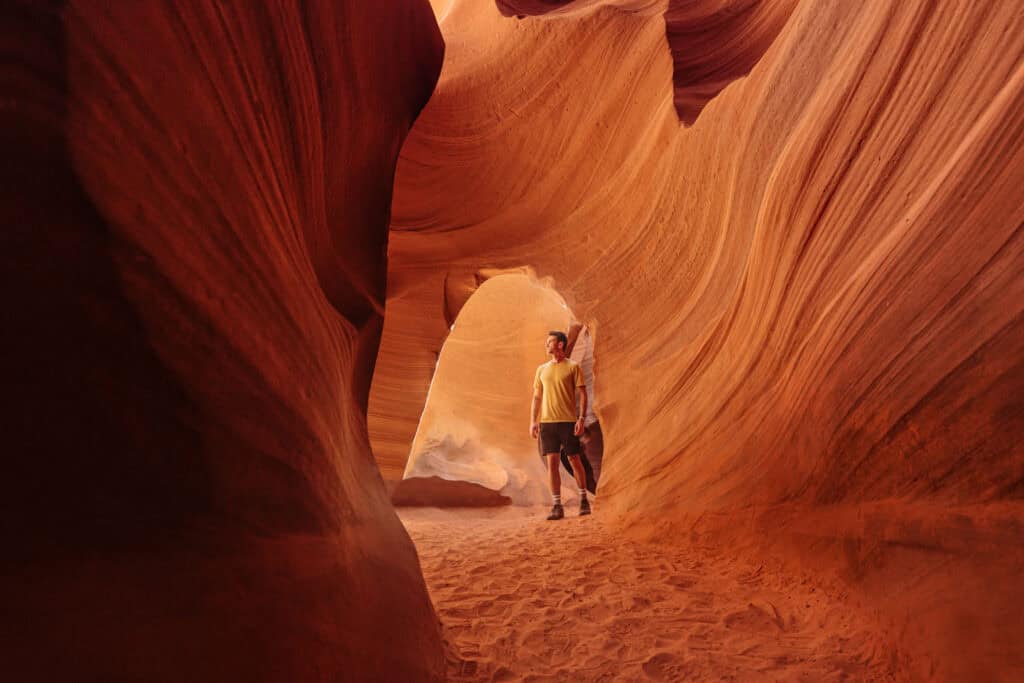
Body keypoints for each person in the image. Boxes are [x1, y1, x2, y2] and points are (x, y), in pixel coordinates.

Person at [529, 330, 590, 520]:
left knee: (574, 460)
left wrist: (581, 419)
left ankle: (583, 499)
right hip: (547, 423)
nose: (546, 345)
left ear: (560, 345)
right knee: (552, 464)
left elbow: (582, 394)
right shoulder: (541, 369)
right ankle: (557, 505)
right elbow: (537, 397)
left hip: (568, 422)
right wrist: (533, 420)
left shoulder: (573, 367)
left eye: (550, 342)